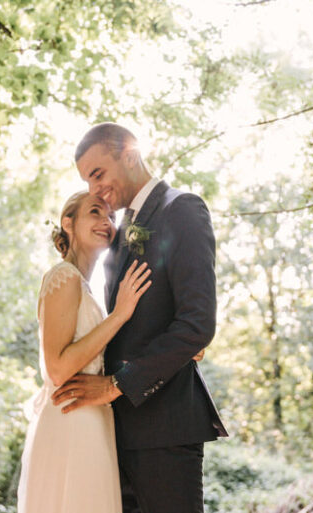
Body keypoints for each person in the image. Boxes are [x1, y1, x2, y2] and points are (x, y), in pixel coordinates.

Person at [52, 123, 228, 513]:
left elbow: (197, 322)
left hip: (163, 428)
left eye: (98, 174)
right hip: (113, 433)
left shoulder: (181, 209)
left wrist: (115, 386)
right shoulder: (118, 232)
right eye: (86, 180)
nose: (95, 188)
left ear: (130, 155)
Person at [17, 191, 152, 513]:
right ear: (68, 223)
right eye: (95, 212)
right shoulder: (63, 276)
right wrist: (120, 315)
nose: (106, 222)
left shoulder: (88, 288)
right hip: (71, 419)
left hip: (93, 417)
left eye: (111, 217)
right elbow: (58, 369)